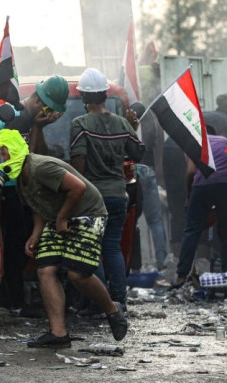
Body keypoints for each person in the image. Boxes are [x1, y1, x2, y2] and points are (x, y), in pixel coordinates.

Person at [0, 128, 128, 348]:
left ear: (14, 150)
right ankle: (58, 334)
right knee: (45, 269)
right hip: (57, 216)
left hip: (87, 212)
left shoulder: (40, 167)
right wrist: (36, 234)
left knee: (77, 274)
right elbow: (39, 206)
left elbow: (78, 188)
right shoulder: (20, 179)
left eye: (2, 154)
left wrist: (62, 218)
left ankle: (113, 310)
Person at [69, 68, 145, 312]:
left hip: (93, 199)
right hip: (118, 196)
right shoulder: (122, 123)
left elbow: (78, 164)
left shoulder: (80, 124)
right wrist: (133, 127)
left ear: (84, 97)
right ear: (104, 95)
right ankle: (119, 301)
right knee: (112, 247)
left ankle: (100, 301)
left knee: (92, 251)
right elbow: (138, 152)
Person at [0, 75, 69, 316]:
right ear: (39, 102)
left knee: (26, 243)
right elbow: (20, 159)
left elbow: (39, 158)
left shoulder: (33, 122)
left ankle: (12, 296)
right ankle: (13, 300)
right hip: (10, 191)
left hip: (28, 191)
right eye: (50, 110)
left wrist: (39, 127)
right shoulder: (11, 118)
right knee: (14, 246)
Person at [174, 127, 227, 287]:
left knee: (192, 230)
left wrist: (189, 197)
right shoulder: (224, 140)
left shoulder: (194, 143)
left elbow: (191, 171)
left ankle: (182, 276)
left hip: (203, 184)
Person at [130, 102, 168, 269]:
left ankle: (133, 264)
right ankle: (162, 262)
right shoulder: (151, 125)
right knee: (155, 221)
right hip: (148, 171)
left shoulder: (128, 126)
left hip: (132, 172)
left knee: (130, 220)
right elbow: (158, 150)